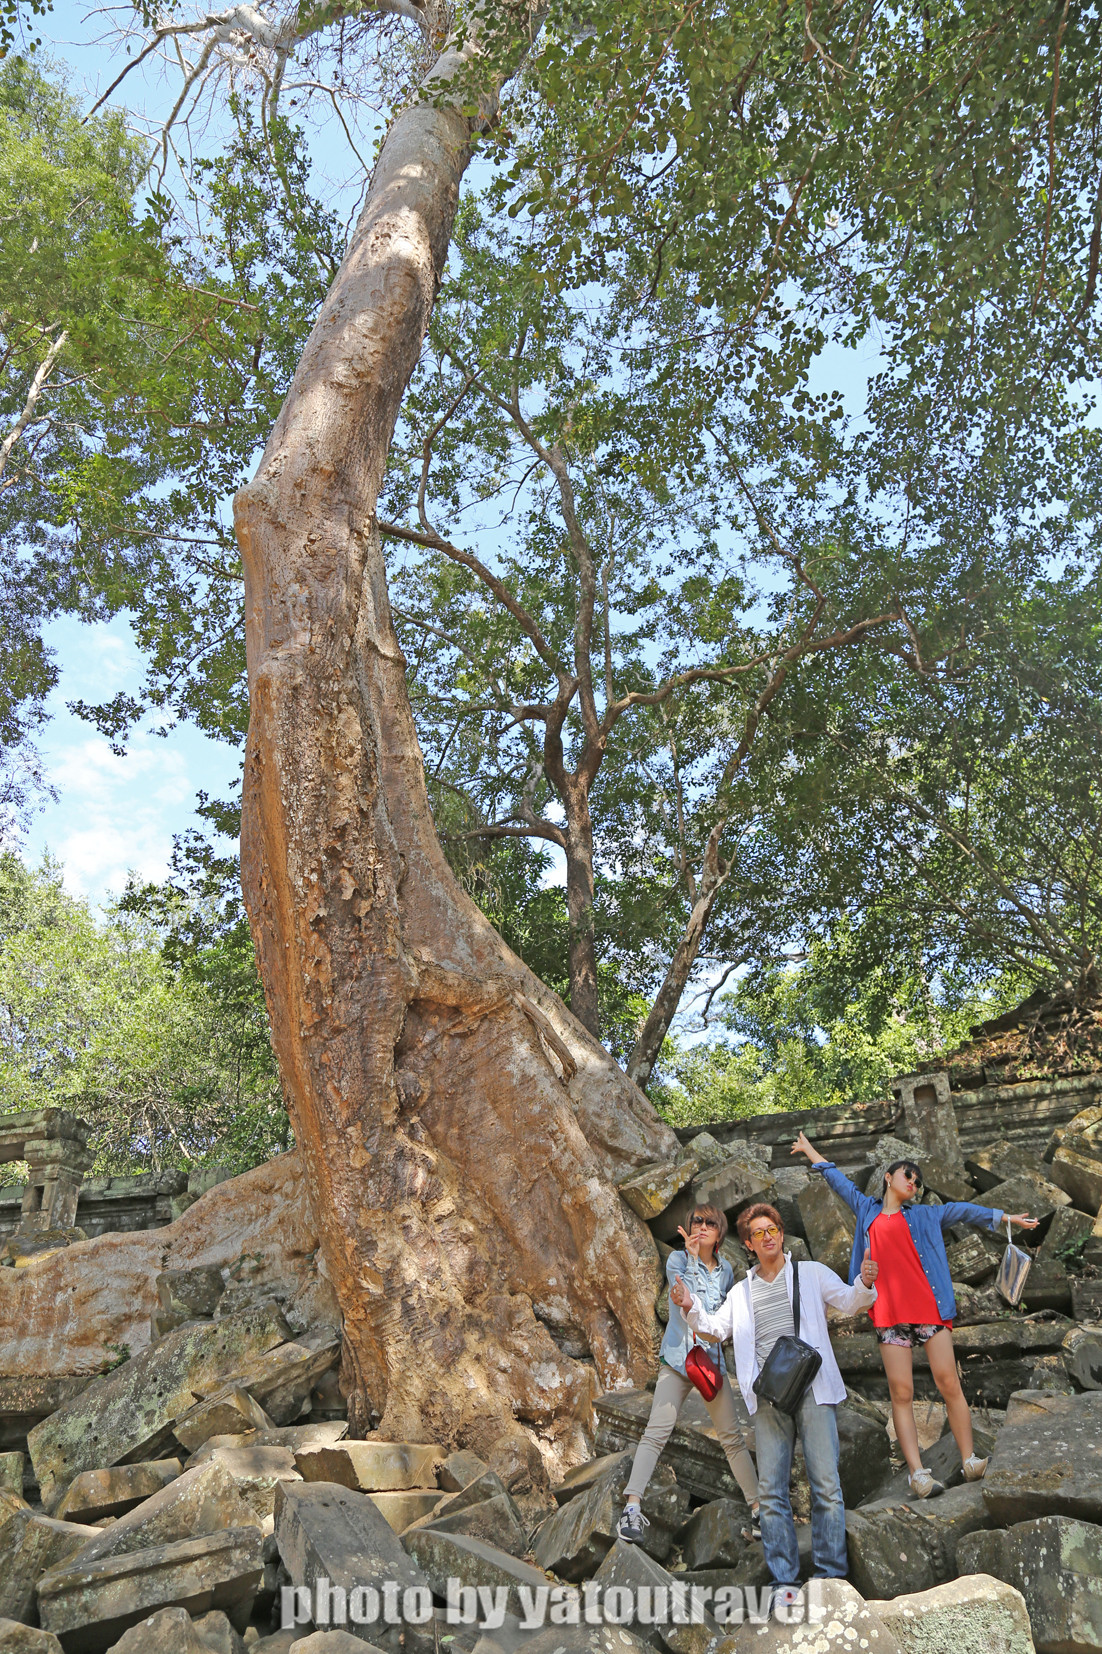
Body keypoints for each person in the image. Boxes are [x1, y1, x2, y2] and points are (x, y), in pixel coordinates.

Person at [791, 1129, 1039, 1497]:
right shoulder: (866, 1210)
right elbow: (838, 1180)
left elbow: (964, 1211)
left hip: (929, 1310)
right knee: (901, 1392)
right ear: (888, 1178)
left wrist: (1006, 1219)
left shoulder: (925, 1215)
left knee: (948, 1382)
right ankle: (918, 1473)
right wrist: (811, 1150)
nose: (914, 1182)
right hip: (889, 1315)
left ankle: (969, 1460)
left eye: (918, 1180)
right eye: (908, 1174)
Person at [670, 1202, 878, 1606]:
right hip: (767, 1396)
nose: (768, 1237)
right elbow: (716, 1329)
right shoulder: (741, 1292)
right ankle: (785, 1579)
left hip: (813, 1388)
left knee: (826, 1484)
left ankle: (830, 1575)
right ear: (748, 1244)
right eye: (759, 1233)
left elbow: (853, 1302)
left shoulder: (810, 1273)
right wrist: (690, 1306)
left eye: (773, 1230)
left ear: (782, 1235)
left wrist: (866, 1282)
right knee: (771, 1490)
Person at [616, 1203, 760, 1544]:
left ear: (720, 1231)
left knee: (732, 1438)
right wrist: (693, 1260)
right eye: (697, 1220)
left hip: (709, 1365)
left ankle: (759, 1509)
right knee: (657, 1431)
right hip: (680, 1361)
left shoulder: (726, 1271)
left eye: (711, 1222)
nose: (703, 1226)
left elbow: (712, 1314)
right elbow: (687, 1304)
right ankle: (632, 1508)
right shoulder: (677, 1261)